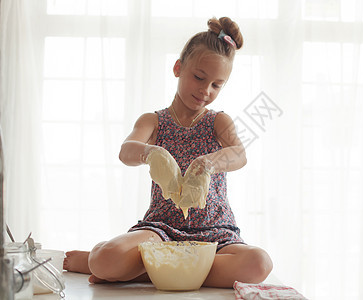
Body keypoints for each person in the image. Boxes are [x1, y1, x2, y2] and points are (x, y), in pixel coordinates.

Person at [63, 16, 273, 288]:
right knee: (104, 259)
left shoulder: (219, 121)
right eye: (199, 77)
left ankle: (143, 273)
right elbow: (126, 151)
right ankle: (164, 269)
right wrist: (151, 153)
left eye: (216, 85)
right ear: (178, 68)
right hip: (161, 232)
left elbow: (240, 154)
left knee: (259, 263)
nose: (205, 90)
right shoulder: (154, 121)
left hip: (215, 234)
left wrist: (209, 162)